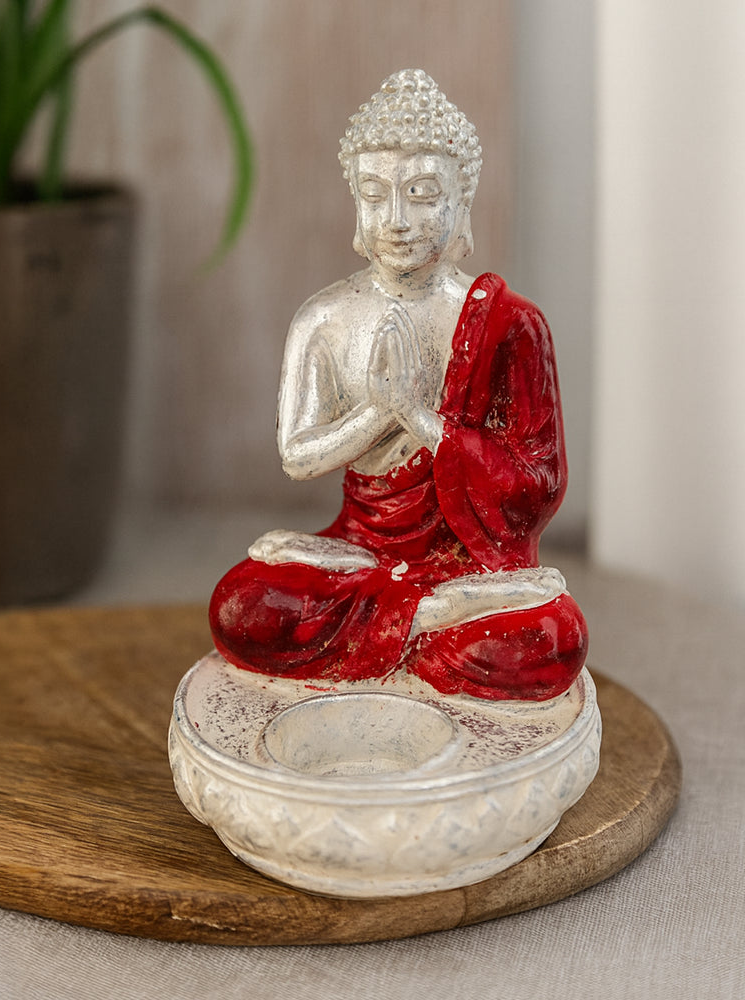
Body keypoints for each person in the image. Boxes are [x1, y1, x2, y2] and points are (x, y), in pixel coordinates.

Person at [209, 70, 587, 701]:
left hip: (466, 559)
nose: (396, 219)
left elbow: (539, 484)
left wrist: (417, 415)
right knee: (242, 607)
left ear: (461, 200)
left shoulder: (509, 323)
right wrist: (380, 414)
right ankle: (431, 615)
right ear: (355, 201)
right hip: (360, 547)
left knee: (550, 638)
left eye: (421, 194)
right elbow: (296, 456)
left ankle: (411, 615)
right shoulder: (325, 319)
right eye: (375, 193)